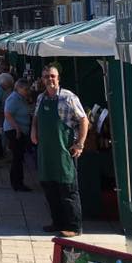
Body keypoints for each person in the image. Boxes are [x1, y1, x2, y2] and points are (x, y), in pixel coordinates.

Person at [31, 65, 88, 238]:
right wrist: (33, 130)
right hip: (46, 152)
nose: (50, 79)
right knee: (50, 190)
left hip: (64, 152)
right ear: (42, 80)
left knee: (68, 190)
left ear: (58, 78)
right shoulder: (41, 98)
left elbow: (84, 120)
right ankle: (57, 222)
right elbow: (36, 117)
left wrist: (80, 144)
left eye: (53, 76)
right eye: (47, 76)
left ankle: (74, 226)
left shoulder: (68, 97)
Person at [4, 78, 33, 192]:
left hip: (19, 130)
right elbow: (7, 113)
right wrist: (17, 128)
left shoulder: (20, 97)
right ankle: (17, 183)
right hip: (14, 131)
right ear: (18, 88)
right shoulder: (14, 98)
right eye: (26, 89)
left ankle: (17, 182)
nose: (28, 91)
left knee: (18, 157)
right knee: (17, 158)